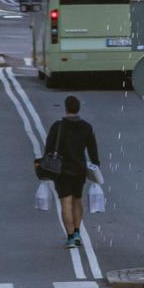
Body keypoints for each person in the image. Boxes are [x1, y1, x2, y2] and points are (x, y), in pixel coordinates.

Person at [41, 94, 100, 248]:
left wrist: (43, 167)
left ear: (66, 108)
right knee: (77, 200)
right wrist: (96, 165)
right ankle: (77, 232)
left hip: (62, 171)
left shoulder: (57, 127)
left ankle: (70, 237)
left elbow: (48, 149)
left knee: (65, 203)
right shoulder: (86, 127)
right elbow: (92, 149)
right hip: (79, 169)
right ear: (78, 108)